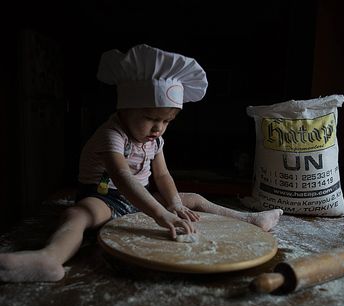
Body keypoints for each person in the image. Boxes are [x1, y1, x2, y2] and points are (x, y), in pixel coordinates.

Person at [0, 44, 283, 282]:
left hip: (140, 198)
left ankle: (253, 220)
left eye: (166, 121)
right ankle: (50, 258)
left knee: (192, 199)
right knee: (78, 215)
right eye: (151, 118)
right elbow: (123, 179)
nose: (158, 127)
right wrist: (160, 214)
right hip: (105, 197)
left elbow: (162, 176)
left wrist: (173, 203)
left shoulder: (154, 140)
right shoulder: (111, 135)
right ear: (124, 108)